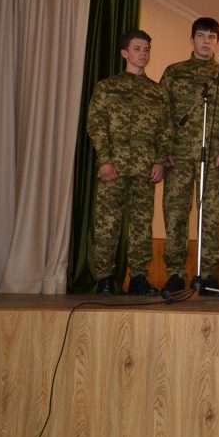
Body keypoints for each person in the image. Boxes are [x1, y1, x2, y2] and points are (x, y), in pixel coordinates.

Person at [86, 30, 169, 296]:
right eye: (137, 49)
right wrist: (105, 160)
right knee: (108, 223)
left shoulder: (157, 91)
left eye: (146, 49)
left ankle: (138, 277)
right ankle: (105, 277)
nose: (143, 54)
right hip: (115, 167)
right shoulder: (107, 87)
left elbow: (164, 130)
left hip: (145, 168)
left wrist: (159, 162)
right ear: (124, 53)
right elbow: (96, 125)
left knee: (142, 224)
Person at [159, 17, 219, 295]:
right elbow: (162, 113)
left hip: (213, 157)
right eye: (201, 35)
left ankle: (208, 274)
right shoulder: (174, 72)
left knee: (211, 216)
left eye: (212, 37)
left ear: (218, 42)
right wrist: (165, 150)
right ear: (191, 39)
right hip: (178, 157)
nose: (206, 41)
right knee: (176, 214)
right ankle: (176, 273)